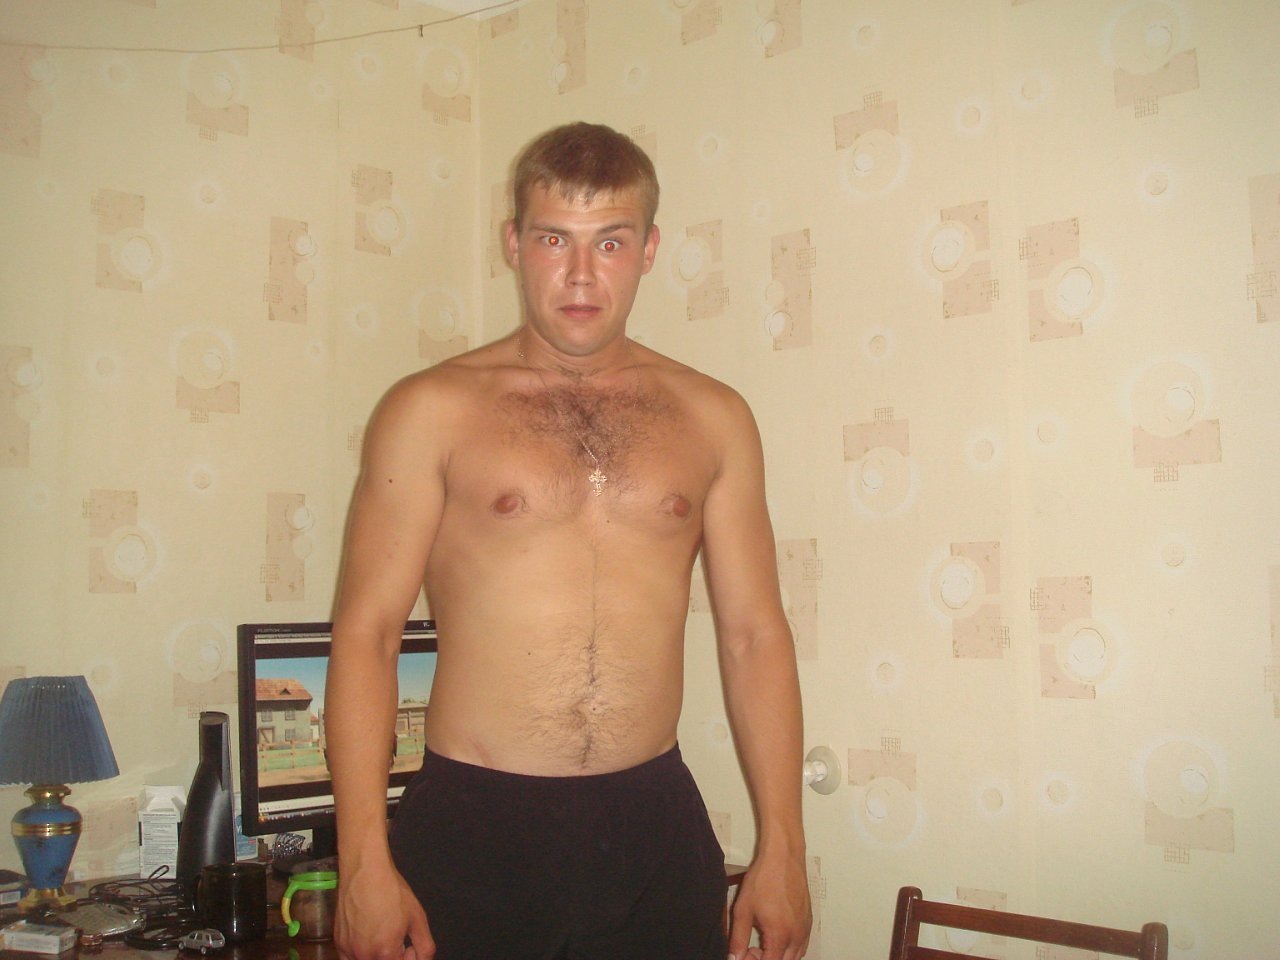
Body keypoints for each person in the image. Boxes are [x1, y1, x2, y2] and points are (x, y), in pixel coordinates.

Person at [325, 121, 810, 960]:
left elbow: (755, 635)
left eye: (610, 241)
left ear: (649, 249)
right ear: (514, 244)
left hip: (655, 828)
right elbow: (367, 635)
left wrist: (786, 849)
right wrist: (363, 859)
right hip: (475, 828)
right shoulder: (430, 410)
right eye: (555, 238)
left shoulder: (714, 417)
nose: (581, 274)